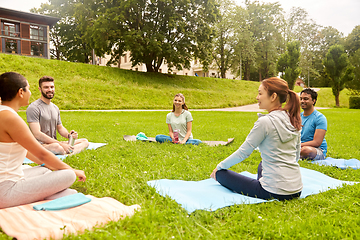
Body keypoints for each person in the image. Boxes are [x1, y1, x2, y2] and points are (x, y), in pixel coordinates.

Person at [0, 72, 86, 209]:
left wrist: (52, 166)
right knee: (68, 175)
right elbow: (41, 154)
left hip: (10, 178)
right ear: (21, 92)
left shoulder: (3, 113)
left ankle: (49, 193)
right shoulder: (11, 118)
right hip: (5, 190)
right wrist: (73, 170)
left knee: (44, 170)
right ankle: (50, 193)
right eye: (28, 89)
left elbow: (28, 153)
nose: (30, 92)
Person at [210, 77, 302, 201]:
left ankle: (265, 183)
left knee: (220, 174)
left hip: (273, 192)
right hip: (296, 190)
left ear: (273, 96)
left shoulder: (265, 122)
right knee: (261, 165)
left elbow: (243, 153)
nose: (257, 97)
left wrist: (219, 167)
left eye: (260, 93)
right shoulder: (293, 119)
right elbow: (296, 157)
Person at [26, 76, 89, 155]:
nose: (50, 90)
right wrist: (61, 144)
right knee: (57, 147)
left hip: (54, 142)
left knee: (84, 141)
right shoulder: (34, 107)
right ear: (40, 89)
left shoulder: (55, 108)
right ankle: (69, 151)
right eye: (46, 87)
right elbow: (37, 134)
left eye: (52, 87)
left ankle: (68, 151)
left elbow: (60, 128)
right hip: (39, 145)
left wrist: (69, 136)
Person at [299, 88, 327, 160]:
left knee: (305, 150)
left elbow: (317, 142)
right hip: (298, 147)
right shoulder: (298, 117)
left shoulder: (320, 118)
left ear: (313, 101)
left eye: (306, 99)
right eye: (301, 99)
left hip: (316, 150)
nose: (302, 101)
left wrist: (297, 145)